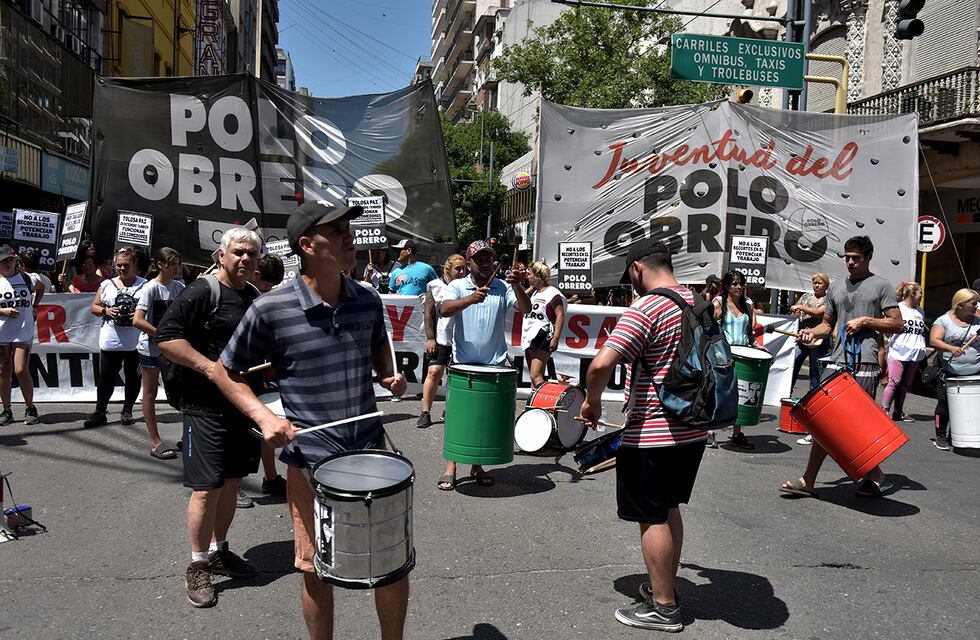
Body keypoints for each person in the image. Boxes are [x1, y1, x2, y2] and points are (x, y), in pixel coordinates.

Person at [209, 202, 409, 638]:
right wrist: (263, 415)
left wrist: (388, 375)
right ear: (307, 245)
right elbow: (227, 371)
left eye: (347, 228)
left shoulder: (368, 300)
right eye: (335, 230)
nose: (348, 235)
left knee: (390, 564)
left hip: (372, 456)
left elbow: (378, 349)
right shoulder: (271, 309)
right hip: (311, 463)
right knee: (316, 568)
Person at [580, 239, 706, 633]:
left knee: (651, 517)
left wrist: (592, 402)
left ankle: (664, 607)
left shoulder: (647, 306)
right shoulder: (697, 301)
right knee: (669, 509)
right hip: (693, 429)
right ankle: (662, 588)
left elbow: (601, 364)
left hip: (653, 431)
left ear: (637, 268)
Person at [155, 227, 262, 608]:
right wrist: (209, 367)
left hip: (242, 405)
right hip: (204, 407)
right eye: (239, 252)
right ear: (222, 254)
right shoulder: (203, 291)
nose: (245, 259)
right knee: (206, 487)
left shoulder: (253, 296)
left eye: (251, 253)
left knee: (232, 483)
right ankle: (197, 564)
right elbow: (166, 338)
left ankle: (219, 551)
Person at [781, 235, 903, 498]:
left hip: (865, 363)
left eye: (856, 258)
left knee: (856, 424)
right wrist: (813, 334)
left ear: (868, 258)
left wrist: (866, 321)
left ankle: (875, 475)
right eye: (846, 257)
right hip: (837, 361)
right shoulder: (835, 288)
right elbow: (827, 325)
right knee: (824, 422)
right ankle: (810, 479)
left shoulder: (881, 286)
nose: (850, 262)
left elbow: (896, 323)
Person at [435, 239, 531, 490]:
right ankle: (451, 465)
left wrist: (517, 285)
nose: (486, 263)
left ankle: (477, 466)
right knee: (458, 417)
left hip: (494, 363)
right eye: (480, 259)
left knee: (483, 419)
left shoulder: (502, 286)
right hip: (463, 362)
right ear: (469, 263)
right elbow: (444, 309)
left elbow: (525, 308)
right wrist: (470, 299)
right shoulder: (457, 285)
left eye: (489, 259)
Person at [83, 247, 147, 428]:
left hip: (135, 341)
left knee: (133, 378)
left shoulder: (145, 285)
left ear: (135, 265)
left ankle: (127, 411)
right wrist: (106, 310)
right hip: (111, 339)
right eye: (118, 265)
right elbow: (94, 307)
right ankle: (100, 412)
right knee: (106, 378)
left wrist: (139, 314)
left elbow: (152, 309)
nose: (121, 268)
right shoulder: (106, 285)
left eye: (126, 265)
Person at [132, 247, 185, 460]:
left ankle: (189, 435)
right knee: (150, 393)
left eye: (177, 264)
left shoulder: (180, 287)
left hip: (173, 349)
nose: (176, 268)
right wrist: (161, 334)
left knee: (183, 392)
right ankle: (155, 441)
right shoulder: (150, 289)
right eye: (172, 264)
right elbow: (138, 320)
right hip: (151, 348)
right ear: (160, 264)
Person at [248, 251, 288, 497]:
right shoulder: (245, 295)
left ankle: (270, 477)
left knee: (266, 426)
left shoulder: (257, 295)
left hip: (257, 372)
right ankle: (233, 483)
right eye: (266, 285)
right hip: (238, 375)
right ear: (257, 275)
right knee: (239, 433)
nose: (267, 290)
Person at [417, 254, 467, 429]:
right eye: (458, 269)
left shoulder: (468, 285)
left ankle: (450, 409)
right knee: (434, 371)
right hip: (441, 337)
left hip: (462, 338)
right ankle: (425, 412)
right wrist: (430, 338)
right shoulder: (435, 285)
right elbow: (428, 313)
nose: (461, 272)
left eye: (464, 268)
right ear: (448, 269)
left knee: (455, 377)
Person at [712, 270, 760, 449]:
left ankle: (736, 433)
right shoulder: (719, 303)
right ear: (727, 286)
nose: (739, 287)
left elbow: (749, 332)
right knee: (720, 393)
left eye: (741, 283)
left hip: (743, 354)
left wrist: (756, 345)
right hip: (723, 355)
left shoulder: (748, 304)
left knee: (739, 395)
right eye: (734, 284)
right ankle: (711, 432)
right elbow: (708, 328)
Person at [928, 288, 980, 450]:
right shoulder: (944, 321)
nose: (977, 306)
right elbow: (934, 341)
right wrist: (951, 349)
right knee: (945, 404)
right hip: (950, 372)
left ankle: (961, 433)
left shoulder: (978, 321)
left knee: (970, 406)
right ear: (960, 305)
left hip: (975, 371)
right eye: (973, 303)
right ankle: (941, 435)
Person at [0, 246, 43, 426]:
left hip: (23, 331)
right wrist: (2, 310)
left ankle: (30, 407)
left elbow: (40, 288)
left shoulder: (28, 278)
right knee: (3, 371)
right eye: (3, 261)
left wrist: (34, 305)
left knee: (20, 369)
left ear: (16, 261)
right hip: (2, 332)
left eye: (10, 260)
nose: (7, 264)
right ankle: (7, 409)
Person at [881, 282, 926, 422]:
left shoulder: (920, 311)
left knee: (905, 384)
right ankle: (884, 411)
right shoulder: (898, 308)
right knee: (894, 381)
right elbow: (886, 326)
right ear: (912, 293)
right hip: (898, 351)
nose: (922, 295)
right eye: (920, 293)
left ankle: (898, 412)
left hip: (914, 353)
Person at [522, 261, 567, 388]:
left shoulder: (553, 293)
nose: (528, 277)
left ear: (537, 275)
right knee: (533, 376)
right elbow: (519, 299)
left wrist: (556, 338)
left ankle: (546, 399)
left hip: (543, 335)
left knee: (536, 375)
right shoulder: (535, 293)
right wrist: (531, 288)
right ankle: (534, 404)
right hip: (529, 336)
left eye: (530, 274)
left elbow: (560, 315)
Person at [789, 273, 831, 392]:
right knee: (793, 364)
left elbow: (818, 312)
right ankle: (787, 391)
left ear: (826, 285)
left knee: (815, 371)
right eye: (815, 283)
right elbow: (797, 312)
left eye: (820, 283)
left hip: (819, 339)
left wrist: (801, 307)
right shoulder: (806, 296)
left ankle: (812, 397)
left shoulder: (828, 299)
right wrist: (795, 311)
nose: (816, 285)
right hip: (801, 337)